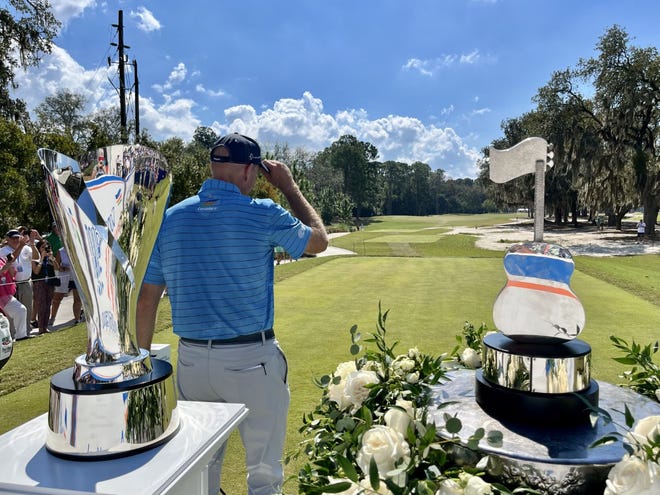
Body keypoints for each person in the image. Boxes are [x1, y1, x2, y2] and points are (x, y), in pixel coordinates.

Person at [136, 133, 328, 495]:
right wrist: (288, 186)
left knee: (202, 470)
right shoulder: (262, 212)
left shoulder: (171, 219)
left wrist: (144, 367)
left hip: (191, 362)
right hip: (251, 361)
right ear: (247, 171)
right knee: (264, 475)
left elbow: (147, 301)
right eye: (255, 173)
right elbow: (319, 240)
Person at [31, 240, 60, 334]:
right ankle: (40, 328)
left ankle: (45, 327)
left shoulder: (50, 259)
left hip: (50, 283)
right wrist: (42, 258)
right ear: (38, 248)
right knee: (41, 305)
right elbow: (36, 272)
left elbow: (57, 268)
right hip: (39, 283)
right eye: (43, 247)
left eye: (47, 247)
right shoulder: (35, 258)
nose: (45, 249)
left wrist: (53, 258)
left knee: (48, 305)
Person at [49, 246, 83, 326]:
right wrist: (64, 268)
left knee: (77, 299)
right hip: (64, 277)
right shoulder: (61, 251)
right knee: (57, 298)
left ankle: (77, 319)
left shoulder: (79, 248)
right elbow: (56, 266)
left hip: (76, 277)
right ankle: (52, 318)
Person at [0, 253, 29, 341]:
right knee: (19, 310)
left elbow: (11, 273)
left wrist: (10, 263)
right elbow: (1, 271)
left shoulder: (2, 259)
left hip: (5, 293)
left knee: (21, 310)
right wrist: (8, 263)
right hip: (2, 295)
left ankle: (21, 335)